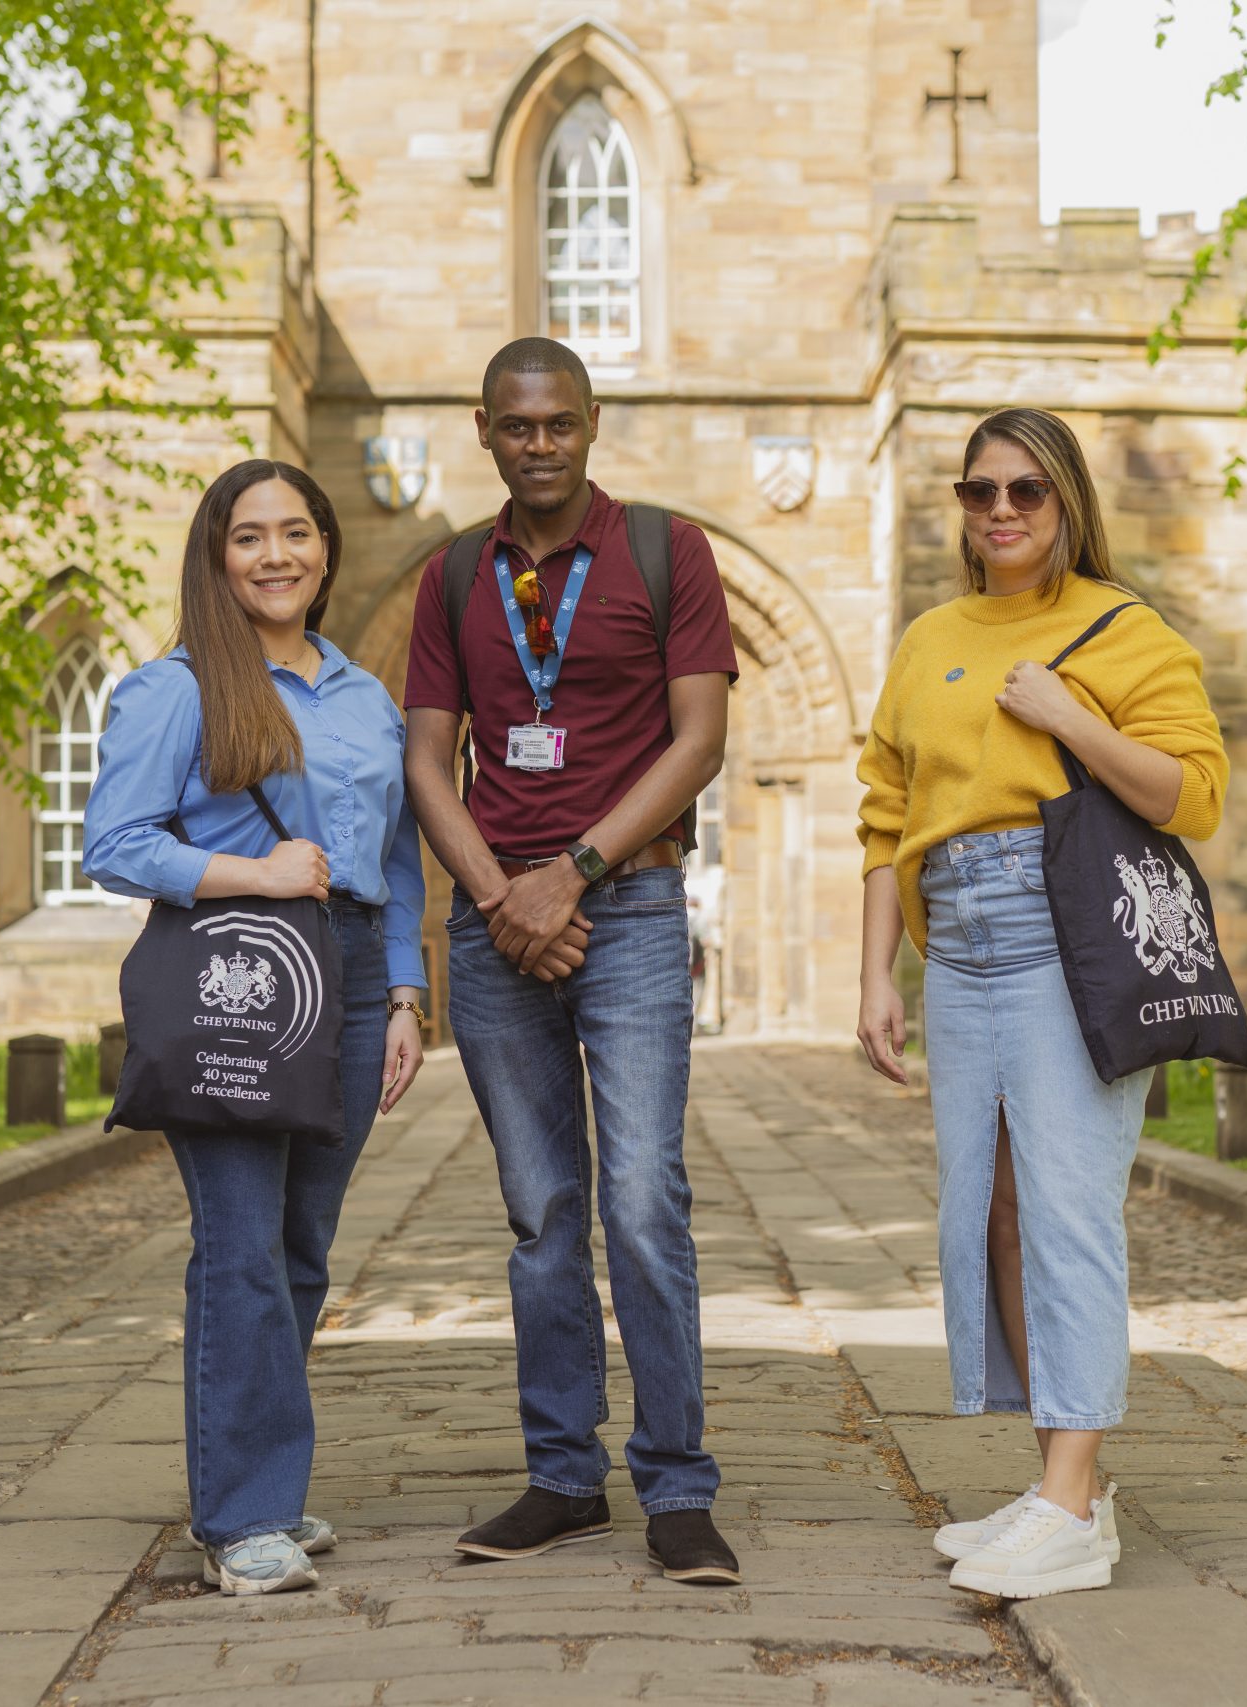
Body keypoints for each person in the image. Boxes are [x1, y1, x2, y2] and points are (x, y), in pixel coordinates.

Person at [853, 408, 1229, 1599]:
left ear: (1068, 503)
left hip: (1061, 929)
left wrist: (1071, 718)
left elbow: (1194, 794)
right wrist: (876, 972)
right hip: (954, 943)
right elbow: (885, 812)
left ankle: (1071, 1503)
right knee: (996, 1213)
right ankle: (1057, 1486)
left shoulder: (1123, 631)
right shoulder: (928, 639)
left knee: (1066, 1210)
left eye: (1026, 492)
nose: (1000, 513)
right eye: (979, 493)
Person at [401, 337, 743, 1585]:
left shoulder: (667, 549)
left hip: (634, 913)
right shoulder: (451, 576)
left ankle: (677, 1487)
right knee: (541, 1212)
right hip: (500, 935)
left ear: (591, 423)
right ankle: (561, 1477)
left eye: (558, 423)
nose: (538, 442)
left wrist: (572, 876)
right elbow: (427, 761)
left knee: (643, 1201)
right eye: (515, 425)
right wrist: (502, 899)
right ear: (482, 430)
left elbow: (699, 740)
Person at [84, 458, 429, 1596]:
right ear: (215, 557)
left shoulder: (362, 695)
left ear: (326, 549)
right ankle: (241, 1518)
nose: (274, 555)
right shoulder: (174, 688)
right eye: (248, 538)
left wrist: (401, 995)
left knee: (299, 1251)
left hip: (344, 978)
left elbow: (387, 858)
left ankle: (261, 1485)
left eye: (295, 532)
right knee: (237, 1249)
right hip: (237, 972)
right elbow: (116, 844)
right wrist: (257, 871)